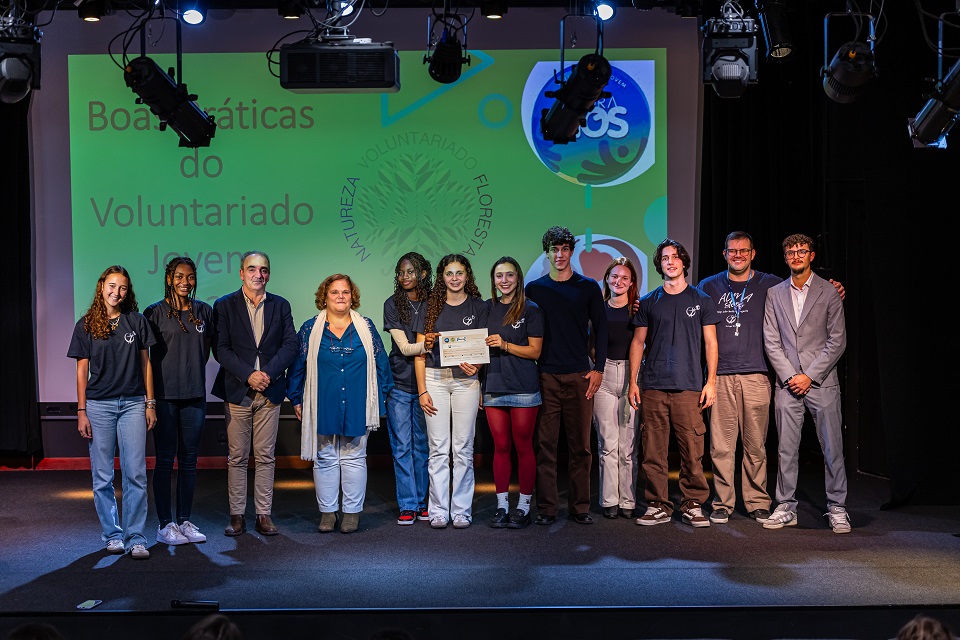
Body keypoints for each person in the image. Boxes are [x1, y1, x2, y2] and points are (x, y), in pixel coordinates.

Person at [697, 231, 846, 525]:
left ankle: (758, 501)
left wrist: (835, 288)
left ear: (753, 254)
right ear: (724, 254)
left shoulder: (770, 284)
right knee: (722, 446)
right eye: (732, 251)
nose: (737, 255)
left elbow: (820, 316)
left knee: (757, 445)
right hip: (728, 375)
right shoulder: (708, 286)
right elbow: (686, 306)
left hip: (759, 375)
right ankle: (724, 503)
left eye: (743, 251)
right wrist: (640, 304)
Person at [287, 274, 393, 534]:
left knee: (355, 458)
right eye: (334, 292)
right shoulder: (310, 329)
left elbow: (381, 363)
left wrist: (381, 398)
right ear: (324, 296)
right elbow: (298, 365)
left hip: (359, 401)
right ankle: (327, 513)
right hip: (322, 401)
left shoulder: (365, 327)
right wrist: (297, 398)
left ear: (352, 296)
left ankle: (351, 514)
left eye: (345, 292)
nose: (340, 296)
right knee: (325, 459)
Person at [628, 238, 719, 528]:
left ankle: (693, 504)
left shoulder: (701, 299)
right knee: (653, 451)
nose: (670, 261)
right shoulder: (650, 300)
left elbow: (711, 343)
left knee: (692, 450)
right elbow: (638, 342)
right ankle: (658, 505)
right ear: (660, 264)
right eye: (665, 257)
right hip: (654, 386)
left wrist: (711, 382)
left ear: (684, 263)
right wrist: (633, 382)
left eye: (676, 257)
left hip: (689, 386)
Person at [68, 265, 157, 559]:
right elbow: (82, 372)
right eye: (111, 286)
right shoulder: (85, 325)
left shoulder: (137, 321)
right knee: (103, 476)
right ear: (101, 286)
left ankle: (136, 538)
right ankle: (113, 535)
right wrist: (81, 410)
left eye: (122, 287)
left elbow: (146, 364)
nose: (116, 292)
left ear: (127, 291)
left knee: (136, 474)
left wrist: (150, 403)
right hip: (98, 406)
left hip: (133, 404)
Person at [762, 233, 849, 533]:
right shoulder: (775, 293)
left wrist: (809, 376)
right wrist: (790, 376)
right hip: (787, 384)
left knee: (832, 447)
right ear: (785, 258)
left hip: (821, 382)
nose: (796, 256)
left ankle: (837, 507)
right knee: (786, 448)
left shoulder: (830, 292)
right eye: (790, 252)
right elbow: (771, 341)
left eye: (801, 251)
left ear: (812, 255)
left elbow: (837, 341)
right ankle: (785, 506)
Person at [524, 225, 607, 525]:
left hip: (579, 376)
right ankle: (546, 509)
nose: (559, 255)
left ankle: (580, 508)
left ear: (572, 251)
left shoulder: (588, 287)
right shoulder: (534, 289)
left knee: (581, 447)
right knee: (545, 445)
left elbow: (602, 329)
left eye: (564, 249)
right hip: (545, 376)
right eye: (553, 250)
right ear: (546, 253)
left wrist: (599, 369)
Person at [212, 250, 298, 537]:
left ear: (268, 274)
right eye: (252, 269)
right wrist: (248, 374)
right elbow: (221, 349)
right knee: (236, 457)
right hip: (238, 390)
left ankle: (264, 515)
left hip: (270, 392)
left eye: (263, 270)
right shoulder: (224, 305)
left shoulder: (281, 305)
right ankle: (237, 516)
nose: (258, 274)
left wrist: (267, 374)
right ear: (241, 273)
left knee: (265, 456)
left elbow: (290, 346)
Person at [144, 256, 214, 546]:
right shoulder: (154, 313)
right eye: (179, 277)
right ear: (169, 278)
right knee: (164, 461)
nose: (185, 282)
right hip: (164, 399)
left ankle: (184, 520)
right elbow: (144, 359)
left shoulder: (204, 312)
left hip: (195, 397)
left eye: (190, 277)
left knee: (188, 461)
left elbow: (207, 350)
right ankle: (164, 524)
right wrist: (150, 401)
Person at [415, 254, 489, 529]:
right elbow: (420, 353)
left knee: (463, 449)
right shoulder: (428, 307)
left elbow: (484, 347)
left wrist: (477, 368)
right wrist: (422, 390)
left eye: (459, 273)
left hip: (466, 384)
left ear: (467, 276)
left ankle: (461, 510)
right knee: (438, 449)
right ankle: (437, 510)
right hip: (434, 380)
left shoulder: (479, 307)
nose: (454, 278)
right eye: (449, 273)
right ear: (441, 277)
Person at [482, 256, 543, 529]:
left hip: (523, 388)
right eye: (499, 276)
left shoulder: (531, 309)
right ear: (493, 280)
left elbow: (535, 351)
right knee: (501, 447)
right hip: (493, 386)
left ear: (518, 278)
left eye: (509, 275)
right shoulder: (486, 308)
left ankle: (524, 506)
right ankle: (502, 506)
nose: (504, 280)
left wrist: (505, 346)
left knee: (523, 446)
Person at [382, 252, 433, 526]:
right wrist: (435, 344)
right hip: (400, 385)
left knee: (424, 447)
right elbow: (404, 348)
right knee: (402, 446)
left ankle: (424, 502)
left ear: (423, 274)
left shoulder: (434, 301)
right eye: (401, 272)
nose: (405, 277)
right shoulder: (392, 304)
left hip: (429, 384)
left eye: (411, 272)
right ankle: (408, 505)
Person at [592, 257, 639, 519]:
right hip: (605, 373)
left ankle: (628, 501)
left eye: (624, 278)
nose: (618, 281)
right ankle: (609, 500)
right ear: (607, 280)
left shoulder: (638, 310)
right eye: (614, 277)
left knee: (628, 444)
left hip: (633, 375)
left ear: (631, 282)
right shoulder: (598, 310)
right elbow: (590, 343)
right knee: (607, 442)